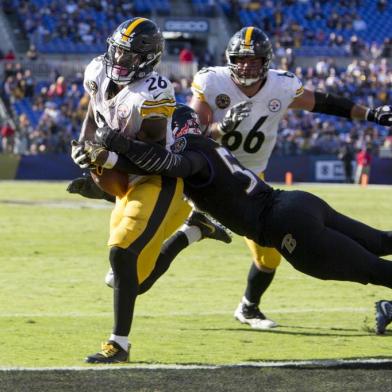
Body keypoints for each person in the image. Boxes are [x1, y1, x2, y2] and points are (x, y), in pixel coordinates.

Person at [82, 104, 392, 337]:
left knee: (376, 269)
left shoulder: (190, 152)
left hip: (285, 225)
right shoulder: (203, 144)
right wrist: (99, 174)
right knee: (379, 243)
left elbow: (170, 163)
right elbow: (144, 176)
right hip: (297, 203)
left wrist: (118, 147)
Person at [188, 26, 392, 330]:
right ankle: (128, 270)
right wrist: (220, 129)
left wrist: (371, 114)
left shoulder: (280, 87)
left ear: (266, 62)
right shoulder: (212, 83)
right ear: (230, 59)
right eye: (241, 59)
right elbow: (191, 135)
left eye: (253, 60)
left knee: (270, 259)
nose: (246, 66)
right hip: (219, 180)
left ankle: (248, 306)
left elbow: (323, 102)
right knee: (372, 253)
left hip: (253, 183)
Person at [70, 17, 230, 364]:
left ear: (146, 60)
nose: (119, 61)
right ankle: (193, 231)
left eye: (128, 57)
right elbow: (94, 112)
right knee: (131, 282)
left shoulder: (154, 91)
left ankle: (119, 344)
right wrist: (83, 146)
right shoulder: (98, 70)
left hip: (158, 178)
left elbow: (153, 156)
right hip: (125, 178)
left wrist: (109, 156)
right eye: (117, 52)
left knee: (122, 253)